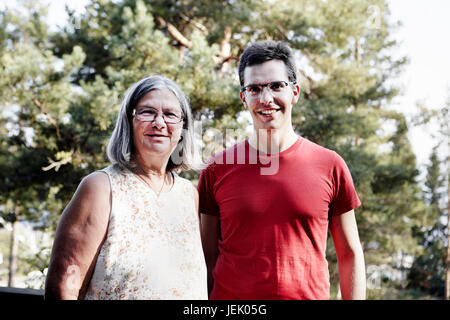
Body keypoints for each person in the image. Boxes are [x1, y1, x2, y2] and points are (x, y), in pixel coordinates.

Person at [198, 41, 366, 300]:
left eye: (276, 86)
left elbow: (349, 255)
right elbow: (205, 261)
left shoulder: (330, 165)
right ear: (244, 97)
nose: (266, 99)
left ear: (295, 92)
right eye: (254, 88)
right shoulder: (216, 169)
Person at [45, 75, 207, 300]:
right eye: (147, 112)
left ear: (183, 128)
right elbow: (64, 287)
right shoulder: (100, 188)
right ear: (129, 122)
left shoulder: (189, 194)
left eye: (170, 114)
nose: (159, 123)